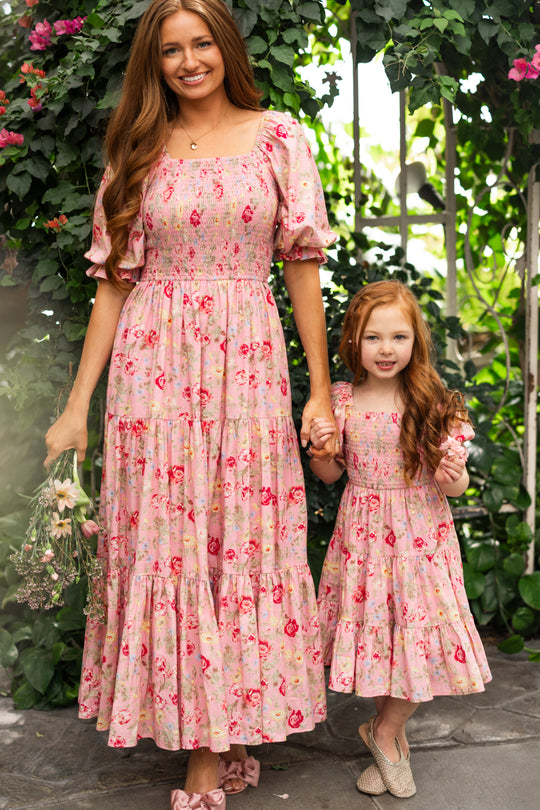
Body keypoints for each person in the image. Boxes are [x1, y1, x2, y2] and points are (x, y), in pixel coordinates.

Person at [44, 1, 337, 807]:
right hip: (154, 365)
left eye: (201, 42)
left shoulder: (280, 136)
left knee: (237, 532)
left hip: (246, 359)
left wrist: (317, 389)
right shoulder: (139, 147)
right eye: (171, 49)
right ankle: (203, 749)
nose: (188, 60)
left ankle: (229, 726)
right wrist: (77, 406)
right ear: (156, 61)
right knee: (172, 538)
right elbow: (111, 288)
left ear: (225, 47)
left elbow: (302, 267)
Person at [308, 280, 492, 799]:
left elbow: (455, 486)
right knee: (382, 635)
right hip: (363, 534)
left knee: (424, 635)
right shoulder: (342, 400)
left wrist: (449, 469)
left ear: (416, 342)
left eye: (398, 337)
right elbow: (328, 475)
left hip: (420, 535)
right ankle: (392, 745)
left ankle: (383, 730)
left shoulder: (433, 401)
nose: (386, 349)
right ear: (353, 342)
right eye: (373, 338)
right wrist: (322, 448)